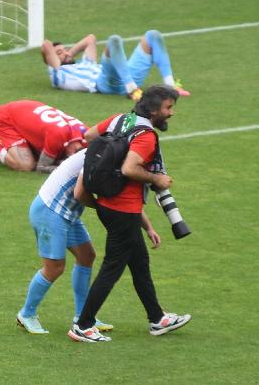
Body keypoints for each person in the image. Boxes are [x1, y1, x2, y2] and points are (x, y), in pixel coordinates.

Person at [67, 85, 192, 343]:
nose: (171, 113)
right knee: (112, 269)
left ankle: (157, 318)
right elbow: (129, 169)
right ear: (154, 109)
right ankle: (83, 324)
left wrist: (109, 158)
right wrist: (156, 177)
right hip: (123, 210)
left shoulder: (121, 119)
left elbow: (90, 136)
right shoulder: (146, 136)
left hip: (111, 205)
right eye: (168, 108)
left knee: (139, 264)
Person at [16, 148, 113, 335]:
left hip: (66, 213)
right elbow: (80, 194)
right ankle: (26, 314)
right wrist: (103, 208)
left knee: (86, 255)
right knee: (54, 267)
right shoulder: (102, 154)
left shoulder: (106, 148)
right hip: (50, 212)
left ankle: (83, 316)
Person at [40, 30, 191, 101]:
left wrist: (69, 53)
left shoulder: (84, 63)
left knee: (152, 35)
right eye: (59, 52)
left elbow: (90, 39)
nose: (64, 53)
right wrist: (59, 55)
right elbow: (46, 45)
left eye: (64, 50)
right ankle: (132, 90)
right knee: (113, 40)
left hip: (126, 76)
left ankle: (171, 85)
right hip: (105, 83)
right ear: (50, 59)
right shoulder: (56, 72)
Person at [0, 99, 87, 173]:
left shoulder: (87, 134)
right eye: (72, 156)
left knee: (54, 155)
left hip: (26, 112)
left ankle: (6, 147)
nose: (70, 157)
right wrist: (68, 168)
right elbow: (42, 167)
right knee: (26, 165)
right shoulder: (58, 135)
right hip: (6, 119)